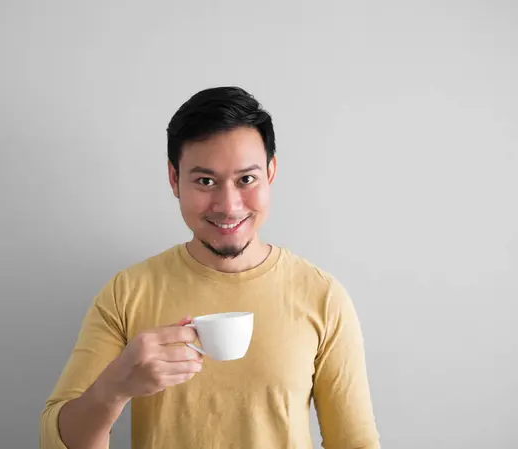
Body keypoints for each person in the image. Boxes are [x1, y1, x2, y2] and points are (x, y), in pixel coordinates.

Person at [39, 86, 380, 449]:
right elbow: (55, 441)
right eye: (205, 181)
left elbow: (354, 442)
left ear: (271, 172)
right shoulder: (126, 293)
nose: (228, 206)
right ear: (174, 179)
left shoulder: (323, 297)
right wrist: (115, 387)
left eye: (246, 179)